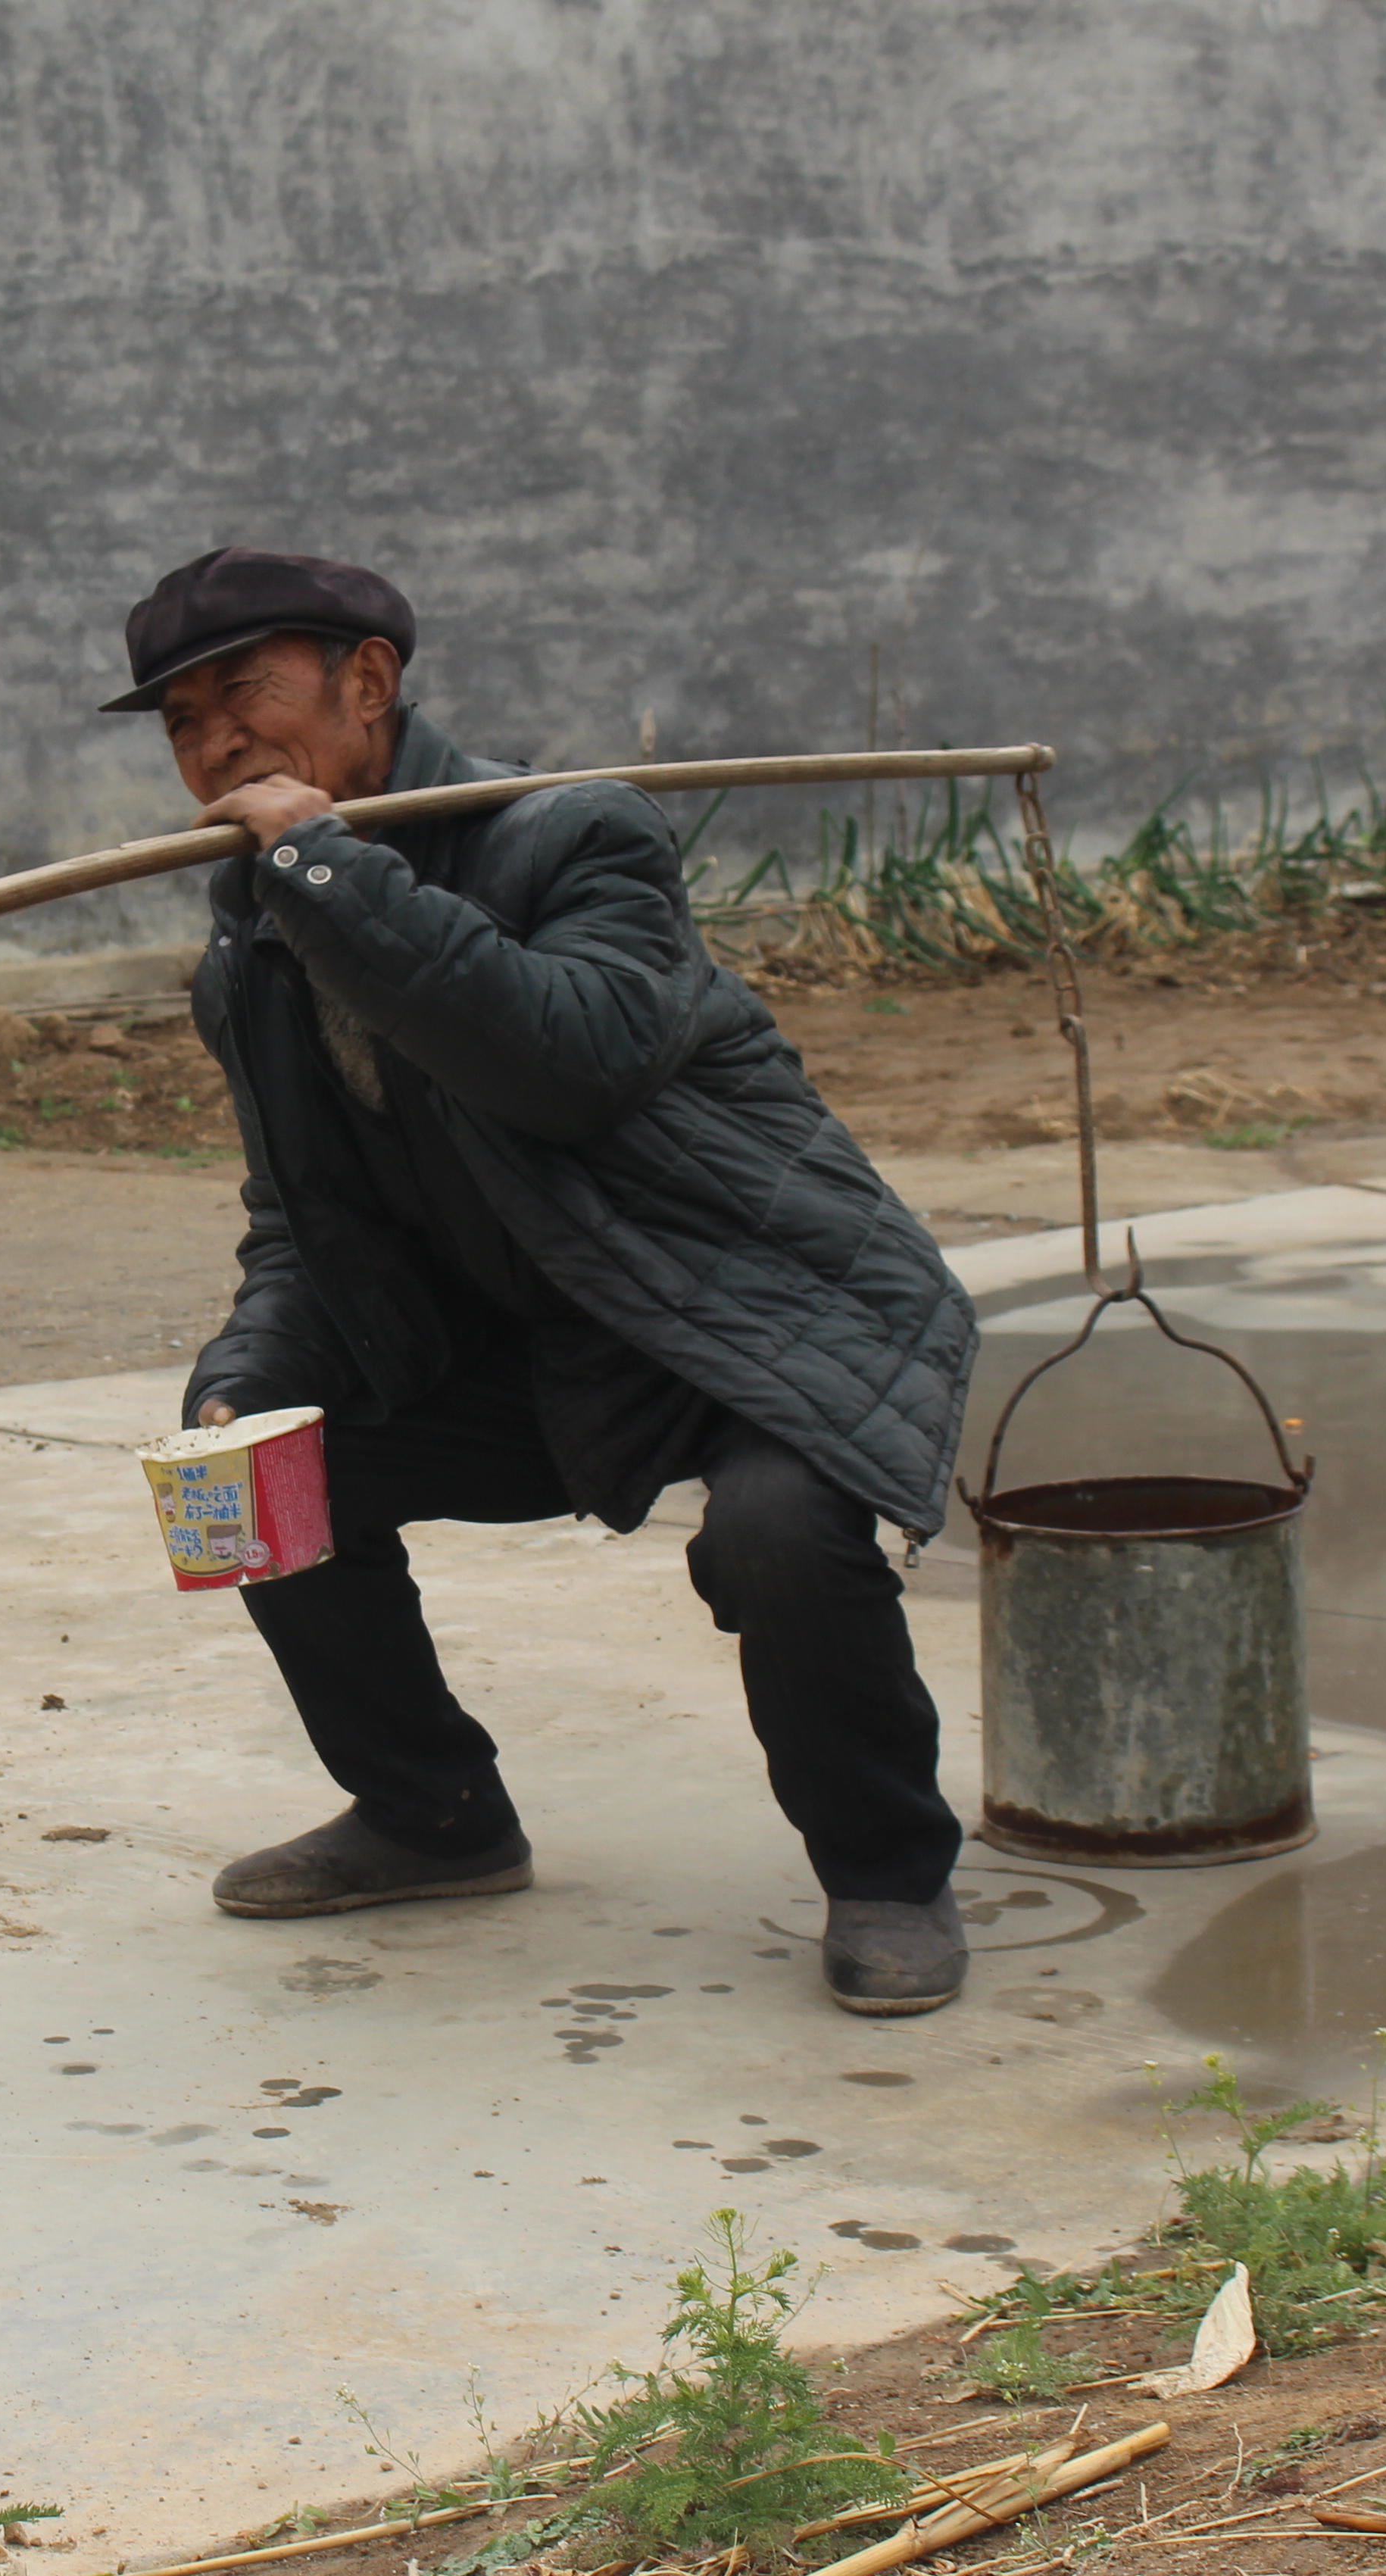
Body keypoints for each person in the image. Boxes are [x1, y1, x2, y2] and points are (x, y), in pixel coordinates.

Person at [108, 545, 984, 2016]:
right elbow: (304, 1217)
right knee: (261, 1472)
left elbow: (567, 1061)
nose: (214, 747)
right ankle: (433, 1818)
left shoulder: (575, 839)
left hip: (742, 1318)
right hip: (534, 1347)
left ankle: (889, 1876)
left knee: (776, 1535)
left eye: (242, 696)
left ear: (369, 684)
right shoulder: (252, 953)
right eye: (183, 723)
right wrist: (249, 1366)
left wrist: (328, 868)